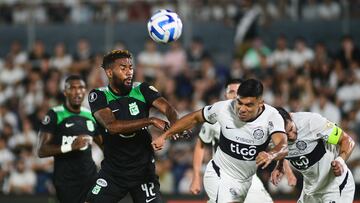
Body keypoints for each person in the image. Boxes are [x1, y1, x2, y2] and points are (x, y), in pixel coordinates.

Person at [152, 78, 289, 203]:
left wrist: (272, 156)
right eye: (239, 103)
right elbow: (194, 118)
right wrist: (165, 135)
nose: (242, 109)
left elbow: (283, 145)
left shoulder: (272, 116)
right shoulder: (223, 109)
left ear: (260, 103)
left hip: (248, 179)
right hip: (221, 174)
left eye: (248, 105)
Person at [85, 50, 180, 203]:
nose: (129, 72)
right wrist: (150, 121)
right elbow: (112, 126)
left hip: (143, 173)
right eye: (123, 68)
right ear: (109, 72)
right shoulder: (99, 96)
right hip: (113, 173)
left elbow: (169, 109)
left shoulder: (142, 89)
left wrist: (176, 125)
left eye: (131, 67)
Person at [190, 79, 273, 203]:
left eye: (238, 92)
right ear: (225, 95)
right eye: (231, 92)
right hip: (223, 175)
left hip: (249, 176)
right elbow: (200, 145)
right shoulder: (216, 117)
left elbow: (277, 143)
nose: (234, 95)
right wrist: (196, 176)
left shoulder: (257, 120)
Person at [37, 75, 103, 203]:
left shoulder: (90, 115)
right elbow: (41, 150)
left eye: (81, 88)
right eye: (72, 88)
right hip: (66, 182)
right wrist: (71, 146)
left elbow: (105, 146)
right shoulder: (55, 114)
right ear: (65, 92)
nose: (77, 92)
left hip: (90, 178)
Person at [271, 107, 355, 203]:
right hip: (310, 191)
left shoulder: (311, 123)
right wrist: (280, 165)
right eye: (285, 135)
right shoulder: (272, 136)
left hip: (334, 187)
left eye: (291, 129)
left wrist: (340, 161)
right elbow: (283, 148)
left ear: (290, 117)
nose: (291, 136)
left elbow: (347, 140)